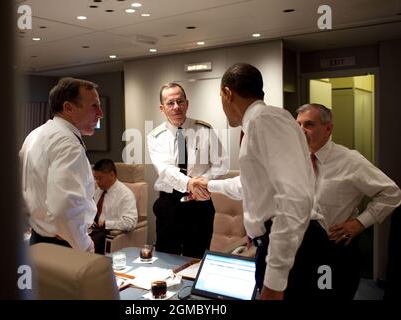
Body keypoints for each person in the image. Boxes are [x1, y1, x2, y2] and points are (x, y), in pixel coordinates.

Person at [219, 63, 331, 300]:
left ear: (228, 93)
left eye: (221, 96)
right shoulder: (259, 122)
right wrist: (207, 185)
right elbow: (253, 186)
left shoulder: (265, 120)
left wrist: (275, 282)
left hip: (293, 246)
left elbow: (295, 198)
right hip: (277, 243)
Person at [296, 103, 401, 299]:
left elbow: (392, 193)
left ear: (328, 128)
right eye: (298, 125)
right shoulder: (295, 159)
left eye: (309, 125)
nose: (302, 131)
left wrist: (360, 222)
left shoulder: (350, 160)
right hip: (299, 248)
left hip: (331, 250)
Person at [19, 77, 103, 253]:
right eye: (94, 106)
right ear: (68, 108)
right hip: (64, 245)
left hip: (37, 241)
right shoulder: (68, 144)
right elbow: (65, 209)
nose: (100, 113)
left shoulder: (35, 135)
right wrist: (86, 247)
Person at [147, 82, 227, 259]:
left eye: (180, 101)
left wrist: (201, 183)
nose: (176, 107)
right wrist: (190, 183)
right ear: (162, 108)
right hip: (169, 203)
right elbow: (166, 169)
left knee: (197, 256)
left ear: (187, 103)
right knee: (167, 257)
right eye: (170, 103)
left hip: (200, 204)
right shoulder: (155, 136)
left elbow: (221, 163)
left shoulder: (204, 129)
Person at [90, 159, 138, 254]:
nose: (97, 182)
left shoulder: (125, 194)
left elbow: (130, 222)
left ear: (112, 175)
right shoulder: (98, 191)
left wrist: (106, 224)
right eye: (95, 178)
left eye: (100, 178)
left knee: (88, 244)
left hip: (107, 233)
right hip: (92, 228)